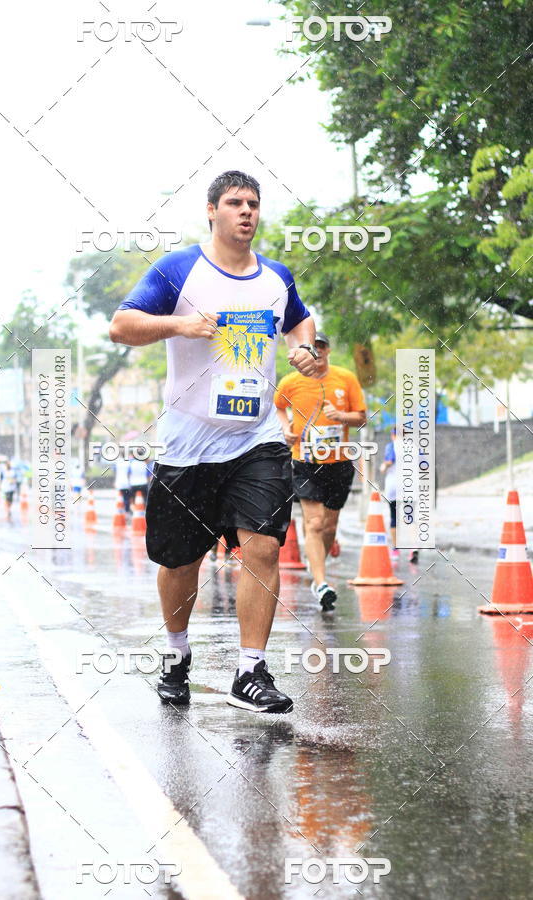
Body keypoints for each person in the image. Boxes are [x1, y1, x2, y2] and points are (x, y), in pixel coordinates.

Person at [110, 170, 318, 713]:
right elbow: (121, 325)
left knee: (264, 547)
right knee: (180, 561)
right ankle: (177, 654)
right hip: (187, 444)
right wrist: (181, 327)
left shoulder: (276, 278)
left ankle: (250, 672)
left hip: (257, 439)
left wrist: (305, 349)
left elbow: (302, 322)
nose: (246, 212)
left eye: (253, 203)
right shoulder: (178, 270)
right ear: (211, 210)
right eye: (234, 203)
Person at [274, 333, 366, 610]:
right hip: (305, 460)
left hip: (338, 462)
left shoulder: (345, 378)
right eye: (312, 348)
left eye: (322, 346)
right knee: (314, 523)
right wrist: (285, 428)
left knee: (329, 526)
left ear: (328, 350)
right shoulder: (290, 382)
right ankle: (321, 582)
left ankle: (319, 571)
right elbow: (278, 407)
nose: (318, 352)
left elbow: (361, 417)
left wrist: (342, 417)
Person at [380, 426, 398, 559]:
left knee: (394, 517)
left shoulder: (391, 447)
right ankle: (413, 549)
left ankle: (396, 548)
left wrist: (383, 466)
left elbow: (389, 462)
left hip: (394, 487)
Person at [0, 458, 17, 522]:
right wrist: (0, 486)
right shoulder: (3, 471)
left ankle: (9, 508)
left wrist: (13, 481)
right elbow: (1, 478)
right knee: (7, 499)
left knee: (10, 500)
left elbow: (15, 478)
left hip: (12, 488)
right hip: (6, 488)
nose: (8, 465)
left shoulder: (13, 471)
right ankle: (7, 510)